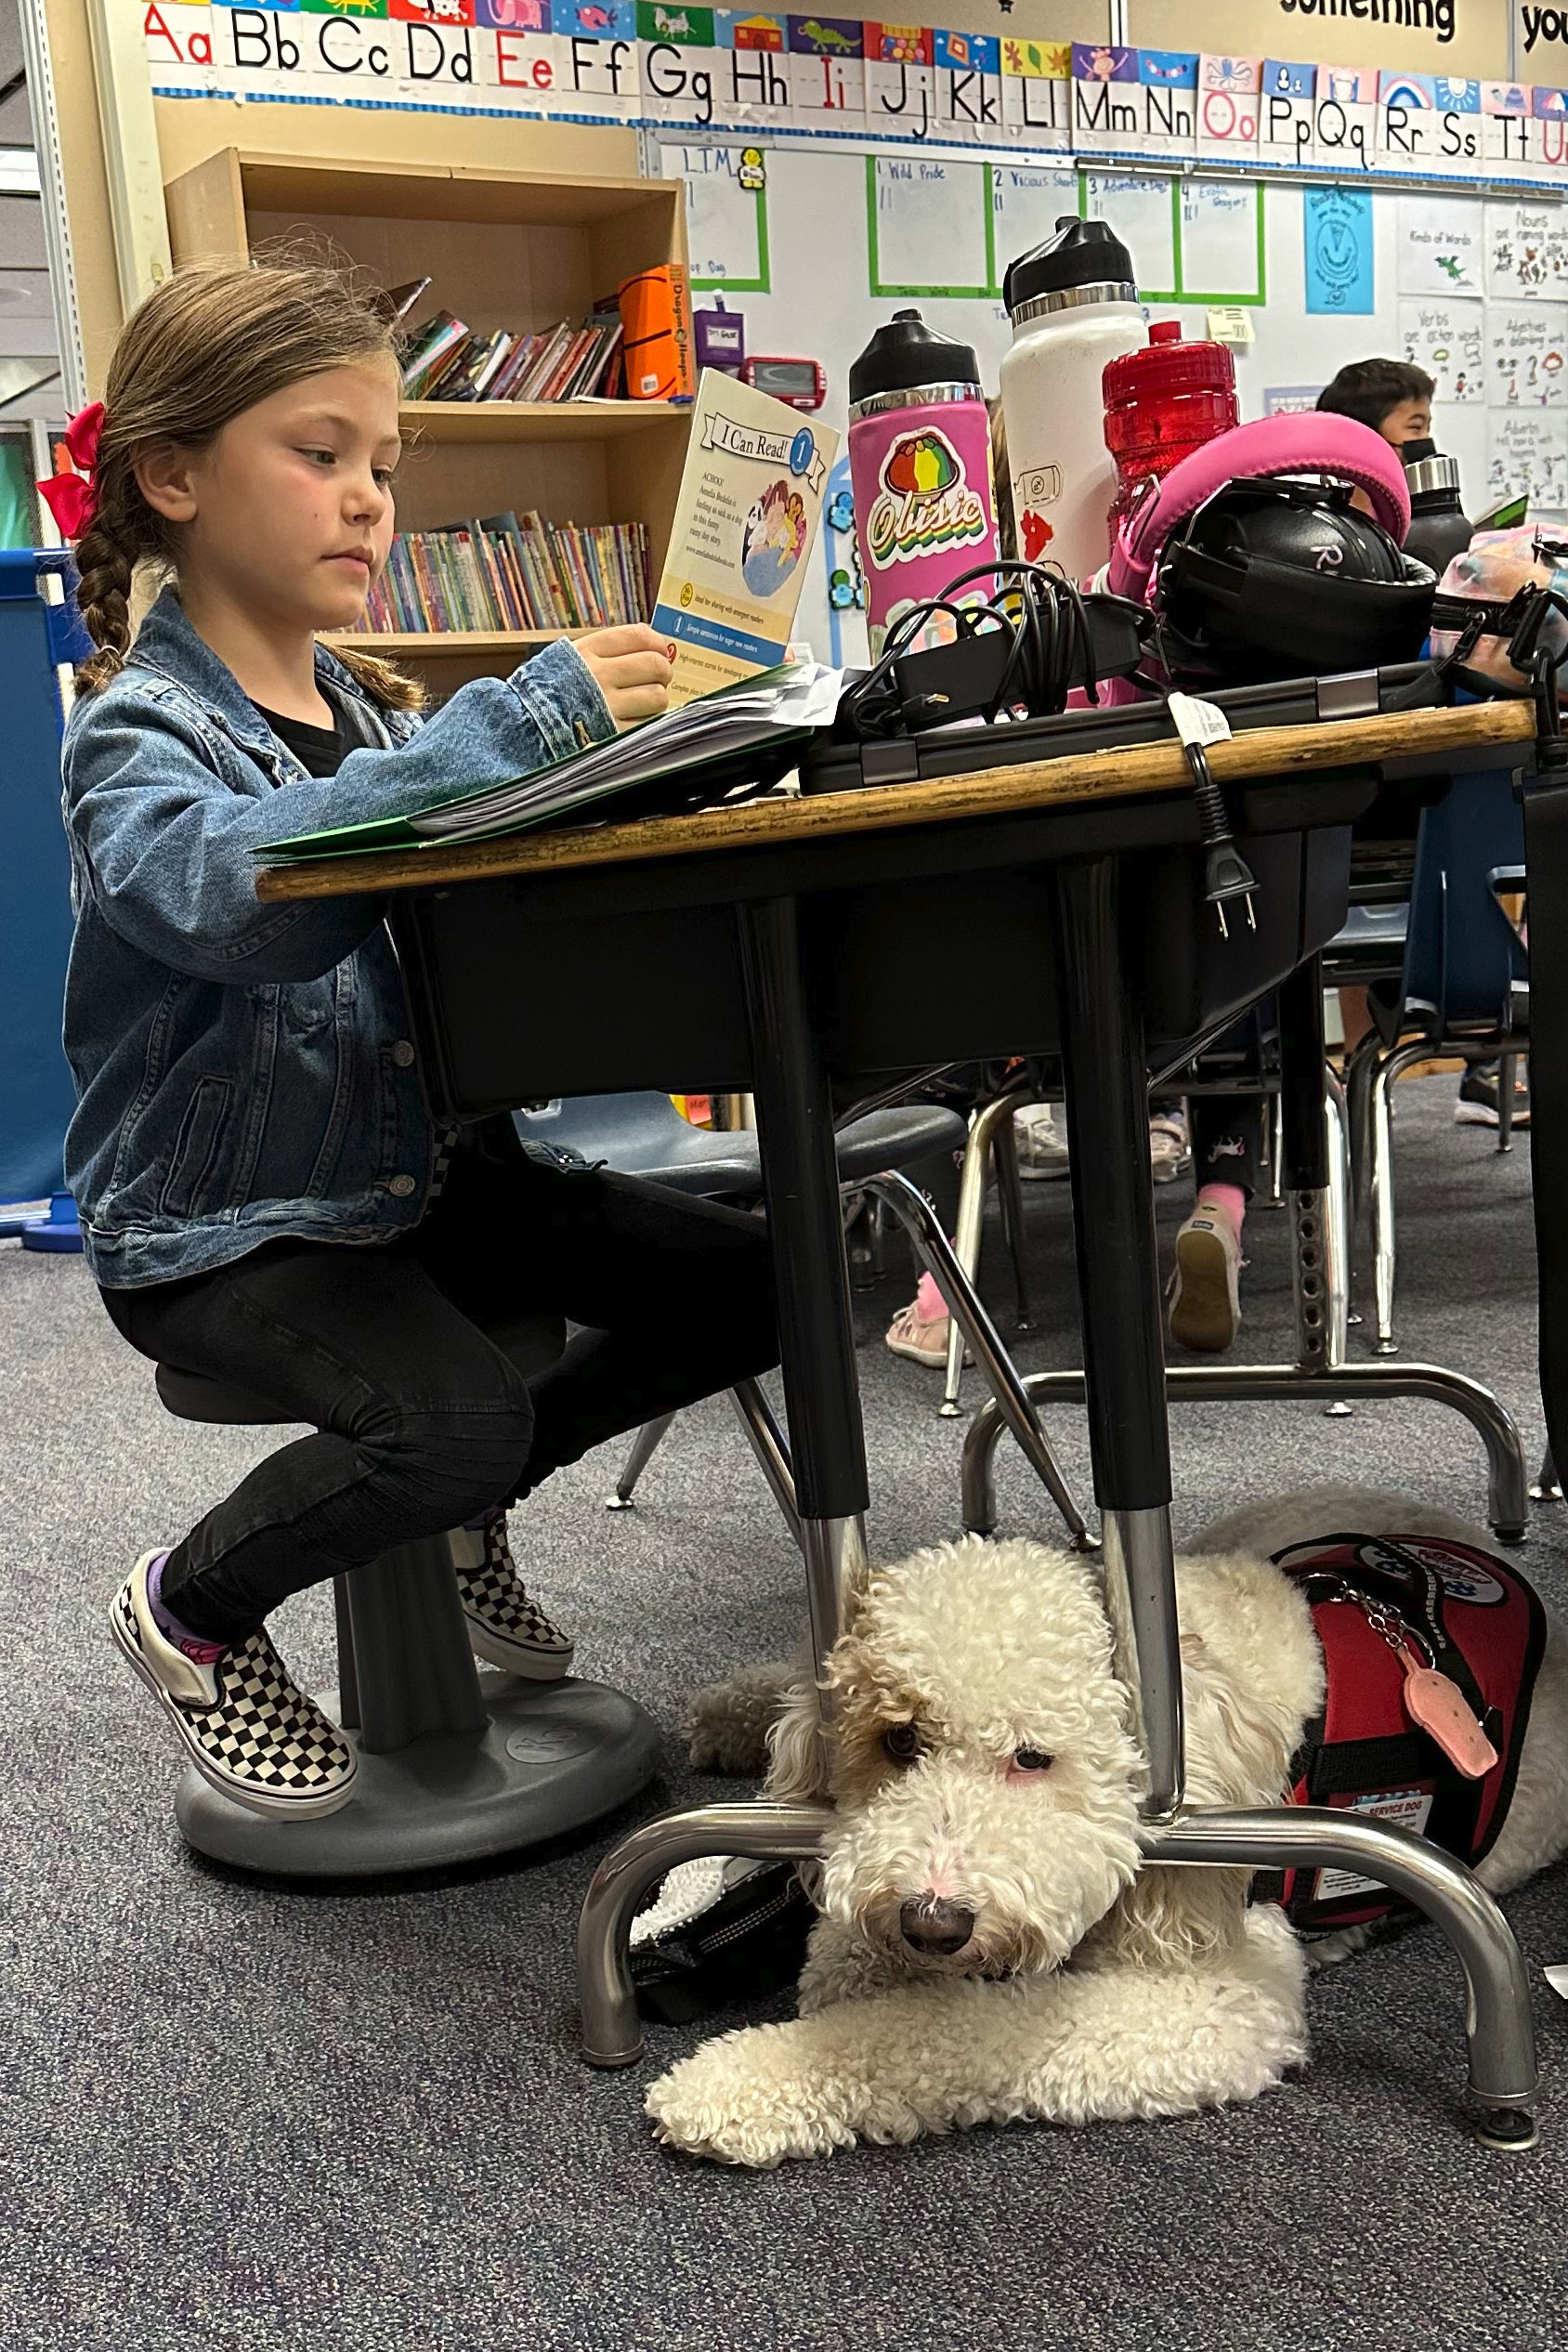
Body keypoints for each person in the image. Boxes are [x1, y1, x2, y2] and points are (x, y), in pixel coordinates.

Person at [62, 255, 778, 1822]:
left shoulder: (380, 718)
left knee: (765, 1282)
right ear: (173, 474)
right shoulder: (136, 736)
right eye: (318, 455)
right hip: (227, 1232)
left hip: (426, 1182)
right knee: (461, 1420)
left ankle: (467, 1516)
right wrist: (515, 732)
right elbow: (244, 901)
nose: (367, 499)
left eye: (383, 465)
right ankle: (191, 1608)